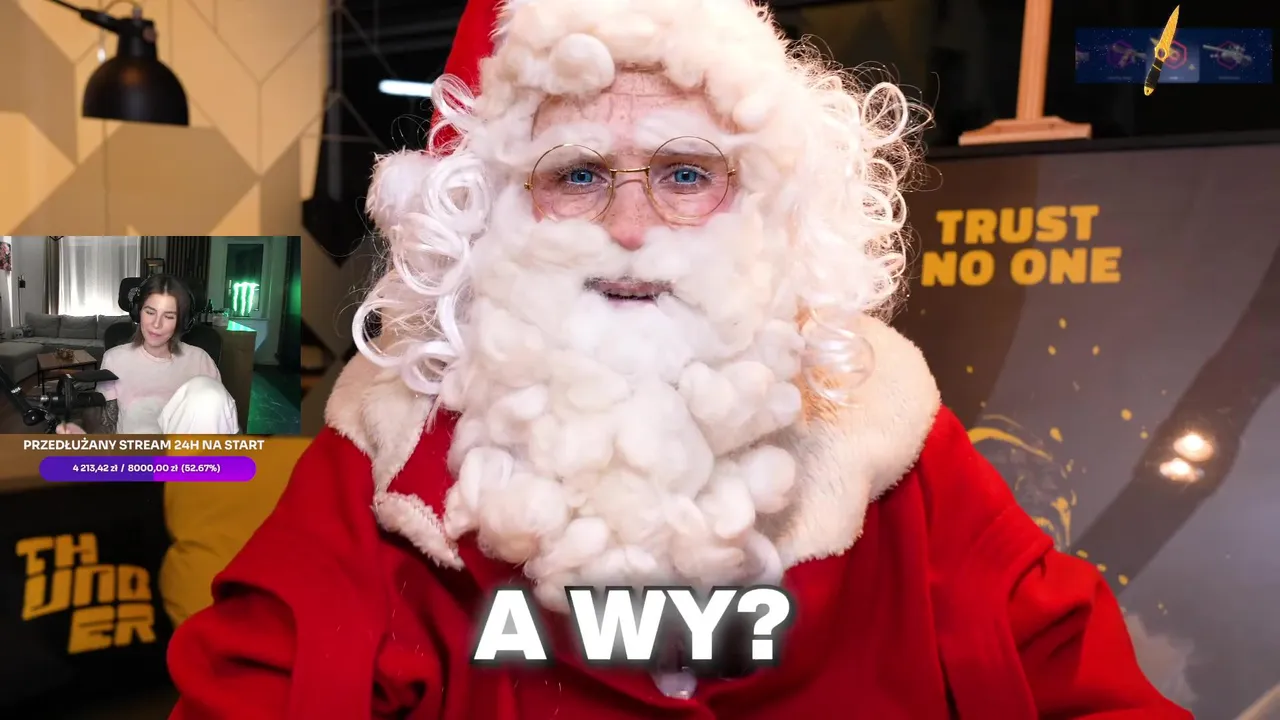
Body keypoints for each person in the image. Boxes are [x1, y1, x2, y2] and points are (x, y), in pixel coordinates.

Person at [167, 0, 1191, 717]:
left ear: (763, 199)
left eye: (686, 173)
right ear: (486, 211)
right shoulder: (389, 448)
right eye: (576, 174)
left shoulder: (883, 424)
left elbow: (1080, 681)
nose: (630, 227)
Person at [57, 274, 238, 435]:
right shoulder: (115, 359)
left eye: (169, 316)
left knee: (207, 390)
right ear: (138, 312)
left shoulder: (200, 360)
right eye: (150, 312)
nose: (156, 324)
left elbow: (223, 424)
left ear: (181, 322)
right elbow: (107, 425)